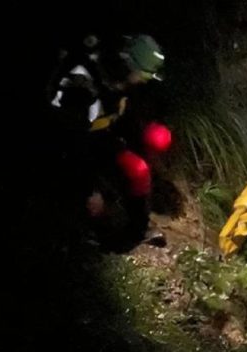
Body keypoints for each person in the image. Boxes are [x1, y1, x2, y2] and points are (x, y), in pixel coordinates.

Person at [47, 33, 169, 251]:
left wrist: (140, 144)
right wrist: (89, 189)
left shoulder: (119, 77)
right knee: (90, 201)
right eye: (143, 75)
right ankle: (88, 234)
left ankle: (136, 231)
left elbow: (123, 115)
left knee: (138, 170)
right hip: (63, 144)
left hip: (97, 137)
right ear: (129, 65)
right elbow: (73, 140)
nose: (143, 80)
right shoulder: (82, 83)